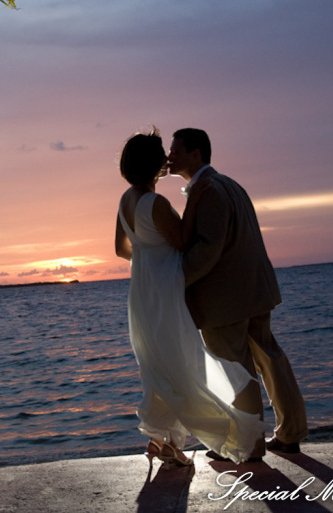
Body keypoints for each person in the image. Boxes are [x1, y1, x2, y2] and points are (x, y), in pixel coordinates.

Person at [115, 129, 265, 465]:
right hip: (166, 290)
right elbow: (183, 240)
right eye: (161, 156)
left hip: (142, 292)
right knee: (179, 363)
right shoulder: (155, 202)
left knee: (157, 364)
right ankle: (194, 437)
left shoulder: (126, 200)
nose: (167, 159)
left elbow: (121, 249)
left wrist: (149, 257)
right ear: (153, 165)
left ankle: (161, 439)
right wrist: (193, 205)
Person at [167, 128, 308, 459]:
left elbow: (207, 248)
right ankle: (290, 433)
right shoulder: (228, 184)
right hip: (255, 290)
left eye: (175, 151)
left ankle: (249, 444)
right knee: (270, 360)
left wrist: (172, 281)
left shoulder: (211, 190)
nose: (169, 157)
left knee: (235, 370)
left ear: (197, 154)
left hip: (225, 300)